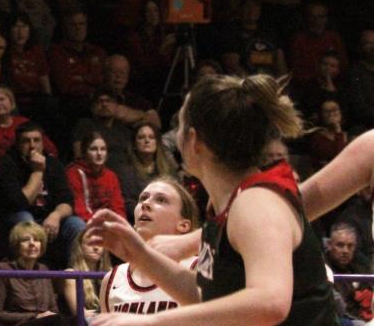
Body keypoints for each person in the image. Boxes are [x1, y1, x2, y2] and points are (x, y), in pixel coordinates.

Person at [88, 74, 337, 326]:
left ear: (194, 141)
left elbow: (269, 303)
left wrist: (152, 322)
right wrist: (140, 254)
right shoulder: (226, 207)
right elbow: (209, 298)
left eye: (181, 126)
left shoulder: (256, 203)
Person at [0, 122, 81, 268]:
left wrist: (55, 216)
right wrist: (37, 171)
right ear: (18, 145)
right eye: (26, 141)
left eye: (36, 140)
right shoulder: (5, 164)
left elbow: (67, 201)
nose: (32, 146)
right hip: (11, 221)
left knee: (76, 224)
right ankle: (28, 276)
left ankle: (75, 279)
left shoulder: (53, 164)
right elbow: (19, 204)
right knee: (26, 220)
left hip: (47, 221)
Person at [100, 178, 198, 316]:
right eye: (143, 198)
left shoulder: (199, 268)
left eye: (161, 200)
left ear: (183, 225)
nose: (145, 204)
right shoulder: (112, 279)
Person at [0, 221, 60, 326]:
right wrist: (34, 316)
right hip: (21, 323)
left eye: (36, 240)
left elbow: (53, 308)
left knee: (78, 319)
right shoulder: (4, 269)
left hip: (47, 322)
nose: (32, 244)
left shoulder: (43, 269)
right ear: (16, 245)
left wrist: (48, 316)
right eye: (26, 240)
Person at [66, 131, 125, 223]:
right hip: (86, 222)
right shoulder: (74, 173)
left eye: (103, 149)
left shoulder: (111, 176)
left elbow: (118, 206)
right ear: (85, 152)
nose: (99, 153)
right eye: (93, 149)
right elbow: (79, 207)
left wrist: (118, 223)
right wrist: (99, 224)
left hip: (109, 223)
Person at [58, 227, 110, 320]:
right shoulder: (71, 275)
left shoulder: (111, 273)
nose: (96, 247)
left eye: (99, 243)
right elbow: (80, 313)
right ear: (80, 247)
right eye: (90, 243)